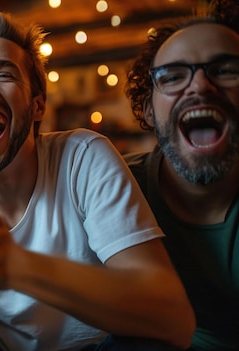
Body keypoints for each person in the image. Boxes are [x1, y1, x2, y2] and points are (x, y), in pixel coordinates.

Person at [0, 9, 196, 351]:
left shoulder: (83, 157)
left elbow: (172, 320)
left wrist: (16, 265)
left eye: (2, 74)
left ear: (38, 105)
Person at [123, 1, 239, 349]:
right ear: (147, 107)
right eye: (173, 77)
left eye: (226, 70)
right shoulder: (112, 193)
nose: (200, 86)